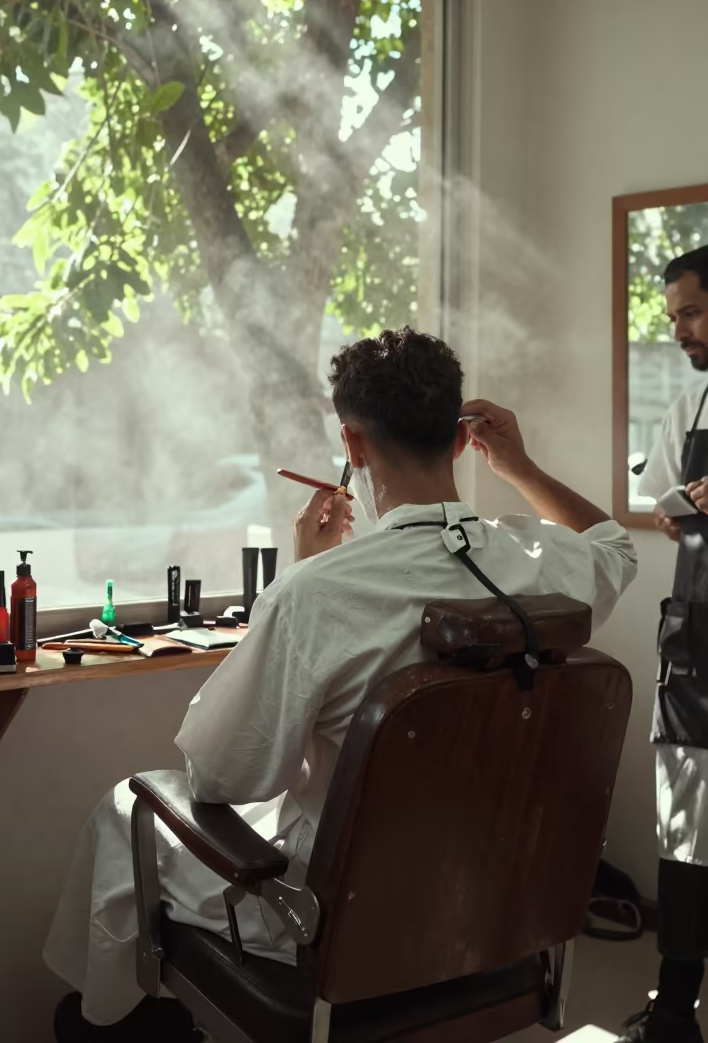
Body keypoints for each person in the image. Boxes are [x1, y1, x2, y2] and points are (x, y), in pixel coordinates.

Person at [45, 327, 637, 1037]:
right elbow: (616, 546)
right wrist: (519, 466)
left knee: (125, 809)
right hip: (499, 914)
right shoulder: (546, 563)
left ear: (352, 446)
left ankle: (105, 1021)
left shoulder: (315, 595)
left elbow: (218, 775)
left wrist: (300, 576)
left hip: (337, 923)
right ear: (459, 441)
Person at [620, 247, 708, 1043]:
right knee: (685, 844)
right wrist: (682, 503)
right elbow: (659, 500)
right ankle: (675, 1013)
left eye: (691, 312)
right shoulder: (690, 403)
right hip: (696, 649)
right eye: (675, 315)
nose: (679, 329)